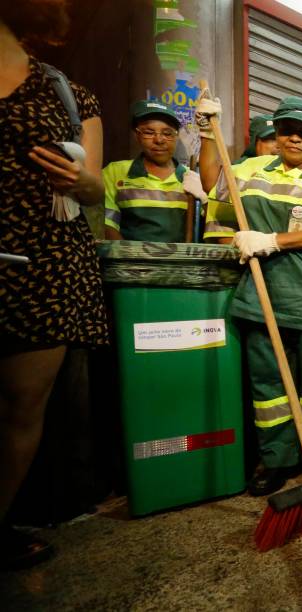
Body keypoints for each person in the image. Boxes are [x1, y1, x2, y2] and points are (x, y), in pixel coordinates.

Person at [197, 96, 302, 496]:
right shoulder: (251, 170)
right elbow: (212, 180)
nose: (294, 138)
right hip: (261, 298)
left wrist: (270, 240)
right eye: (286, 130)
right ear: (275, 133)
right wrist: (208, 132)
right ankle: (277, 459)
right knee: (269, 391)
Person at [0, 5, 107, 569]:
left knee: (22, 407)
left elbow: (95, 190)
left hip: (43, 264)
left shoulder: (68, 94)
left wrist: (83, 179)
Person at [102, 100, 208, 242]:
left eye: (167, 133)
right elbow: (107, 226)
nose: (159, 140)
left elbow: (214, 229)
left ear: (176, 137)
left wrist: (205, 201)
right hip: (130, 261)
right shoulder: (115, 172)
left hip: (181, 263)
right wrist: (133, 260)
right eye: (149, 132)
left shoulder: (192, 179)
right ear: (137, 135)